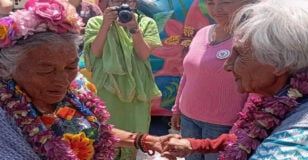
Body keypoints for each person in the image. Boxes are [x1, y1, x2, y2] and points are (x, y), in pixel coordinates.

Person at [0, 0, 169, 159]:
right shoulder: (5, 116)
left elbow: (94, 130)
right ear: (7, 69)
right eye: (46, 71)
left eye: (71, 67)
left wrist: (146, 141)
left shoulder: (76, 90)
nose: (63, 81)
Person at [160, 0, 308, 159]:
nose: (228, 65)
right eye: (210, 2)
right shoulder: (298, 98)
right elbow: (247, 137)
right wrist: (194, 144)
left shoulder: (295, 145)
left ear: (279, 62)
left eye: (239, 54)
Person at [170, 0, 255, 159]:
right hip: (189, 118)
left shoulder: (250, 39)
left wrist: (245, 123)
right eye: (211, 3)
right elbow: (188, 73)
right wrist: (177, 108)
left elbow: (256, 88)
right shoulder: (202, 32)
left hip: (224, 125)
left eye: (225, 2)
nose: (216, 9)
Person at [83, 0, 162, 159]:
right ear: (109, 2)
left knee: (134, 133)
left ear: (134, 3)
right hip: (107, 88)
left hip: (136, 89)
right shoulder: (96, 22)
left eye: (126, 1)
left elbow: (144, 54)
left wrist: (134, 28)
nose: (121, 5)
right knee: (105, 132)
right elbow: (96, 52)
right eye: (116, 1)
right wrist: (105, 24)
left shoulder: (146, 23)